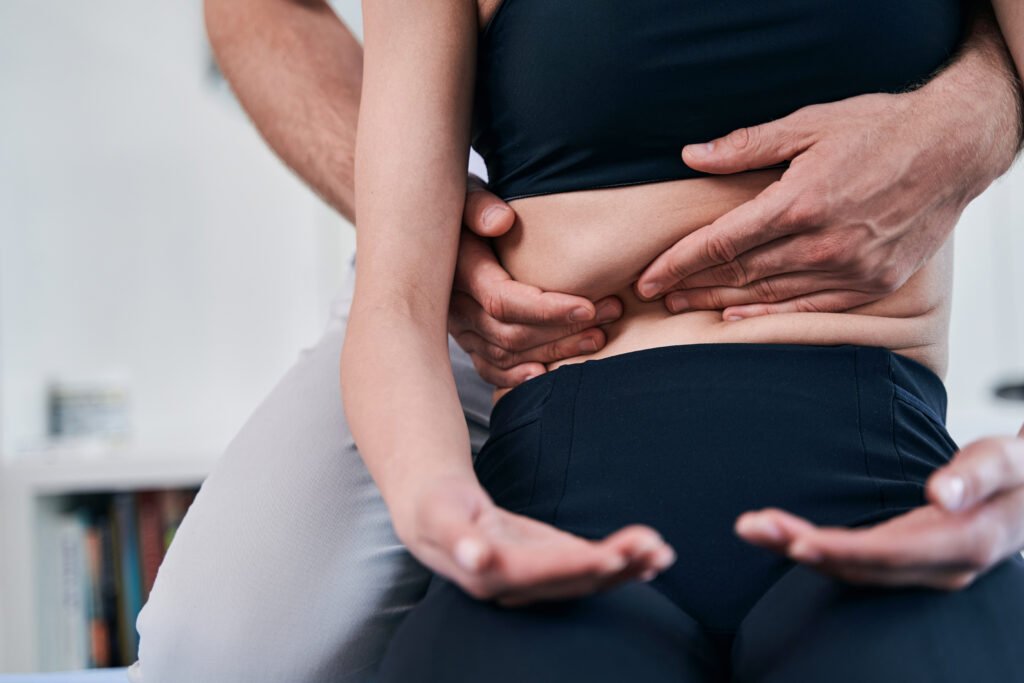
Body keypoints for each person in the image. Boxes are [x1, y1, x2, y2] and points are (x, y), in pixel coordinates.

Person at [132, 2, 1024, 683]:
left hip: (881, 481)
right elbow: (396, 301)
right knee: (209, 650)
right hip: (546, 442)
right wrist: (442, 505)